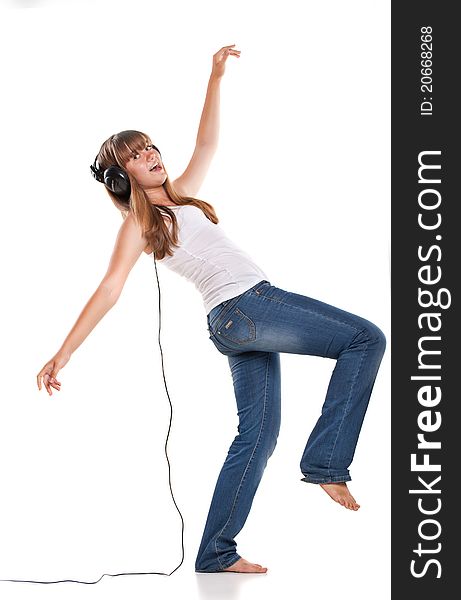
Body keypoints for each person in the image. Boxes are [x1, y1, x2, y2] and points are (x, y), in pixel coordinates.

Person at [36, 44, 386, 575]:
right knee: (365, 338)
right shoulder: (138, 224)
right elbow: (109, 289)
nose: (151, 155)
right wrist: (62, 354)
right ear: (119, 177)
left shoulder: (181, 196)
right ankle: (326, 462)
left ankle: (215, 553)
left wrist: (214, 77)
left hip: (232, 324)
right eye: (135, 155)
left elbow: (207, 141)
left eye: (150, 146)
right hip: (248, 306)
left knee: (257, 435)